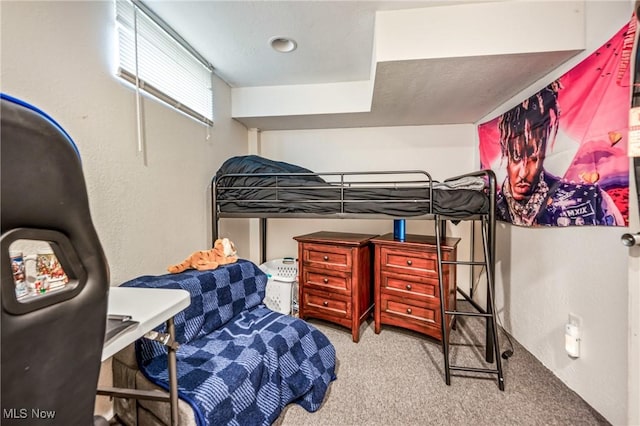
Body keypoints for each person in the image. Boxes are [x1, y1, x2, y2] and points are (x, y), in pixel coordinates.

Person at [495, 82, 623, 226]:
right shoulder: (493, 207)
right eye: (516, 157)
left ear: (544, 151)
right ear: (505, 152)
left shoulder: (590, 198)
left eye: (533, 158)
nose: (523, 173)